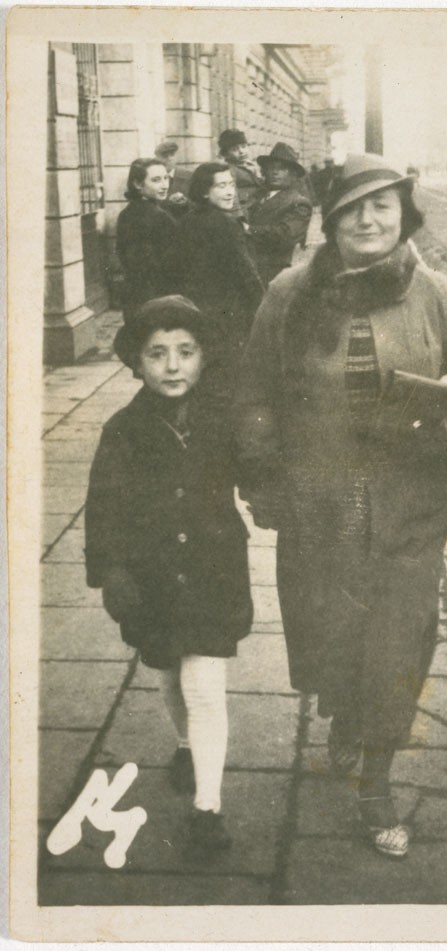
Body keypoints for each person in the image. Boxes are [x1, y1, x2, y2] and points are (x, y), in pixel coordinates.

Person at [234, 153, 447, 859]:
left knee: (396, 647)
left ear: (404, 214)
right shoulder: (289, 291)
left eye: (383, 205)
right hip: (317, 510)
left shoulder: (435, 294)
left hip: (405, 510)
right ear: (331, 220)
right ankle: (345, 717)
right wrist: (261, 480)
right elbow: (254, 392)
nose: (369, 219)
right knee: (331, 645)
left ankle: (376, 781)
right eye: (353, 208)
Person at [85, 295, 253, 854]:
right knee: (166, 669)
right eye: (157, 354)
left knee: (203, 683)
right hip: (149, 576)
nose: (173, 366)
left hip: (212, 571)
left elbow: (257, 469)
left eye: (186, 351)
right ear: (137, 362)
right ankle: (184, 744)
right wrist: (110, 569)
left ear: (205, 358)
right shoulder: (123, 430)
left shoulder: (224, 418)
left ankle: (208, 807)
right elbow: (103, 506)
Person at [178, 162, 263, 399]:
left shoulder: (187, 220)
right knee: (229, 380)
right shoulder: (227, 224)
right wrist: (264, 309)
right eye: (221, 186)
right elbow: (246, 273)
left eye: (231, 185)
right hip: (229, 314)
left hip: (197, 311)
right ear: (205, 191)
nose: (229, 192)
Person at [115, 158, 180, 322]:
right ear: (137, 183)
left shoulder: (127, 213)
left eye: (166, 178)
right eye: (156, 180)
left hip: (135, 295)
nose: (164, 185)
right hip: (157, 298)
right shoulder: (157, 216)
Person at [248, 142, 313, 286]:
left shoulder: (298, 202)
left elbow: (285, 235)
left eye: (282, 168)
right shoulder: (259, 194)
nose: (275, 172)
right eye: (271, 168)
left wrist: (249, 230)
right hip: (248, 267)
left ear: (292, 173)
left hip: (272, 273)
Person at [217, 129, 263, 222]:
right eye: (234, 149)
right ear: (226, 154)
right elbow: (231, 194)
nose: (241, 151)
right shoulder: (230, 169)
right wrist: (239, 218)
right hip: (244, 210)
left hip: (257, 205)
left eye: (243, 146)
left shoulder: (251, 165)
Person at [155, 140, 192, 218]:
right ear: (157, 158)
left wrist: (185, 201)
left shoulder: (188, 175)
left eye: (172, 155)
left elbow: (197, 201)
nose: (169, 159)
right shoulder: (153, 177)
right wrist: (168, 201)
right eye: (164, 155)